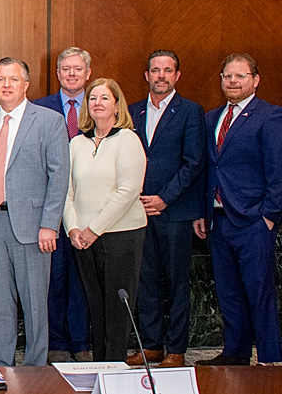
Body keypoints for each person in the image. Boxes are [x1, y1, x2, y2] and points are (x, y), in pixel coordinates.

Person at [0, 57, 69, 367]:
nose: (6, 85)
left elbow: (59, 176)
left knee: (35, 303)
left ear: (26, 85)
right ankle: (3, 363)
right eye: (1, 80)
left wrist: (50, 224)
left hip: (33, 226)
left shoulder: (49, 121)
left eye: (13, 79)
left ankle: (36, 367)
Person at [194, 53, 282, 366]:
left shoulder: (270, 116)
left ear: (255, 80)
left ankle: (267, 357)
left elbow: (281, 171)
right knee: (229, 292)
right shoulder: (212, 118)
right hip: (218, 219)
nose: (232, 82)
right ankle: (235, 352)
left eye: (239, 76)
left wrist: (268, 216)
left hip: (253, 220)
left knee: (259, 290)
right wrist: (202, 210)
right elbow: (207, 170)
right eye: (227, 76)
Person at [127, 50, 206, 368]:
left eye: (168, 70)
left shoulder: (190, 111)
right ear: (146, 75)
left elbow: (194, 162)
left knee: (175, 282)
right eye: (155, 70)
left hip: (174, 211)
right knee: (144, 282)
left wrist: (164, 198)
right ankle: (151, 346)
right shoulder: (133, 112)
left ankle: (176, 349)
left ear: (177, 76)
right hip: (138, 210)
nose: (161, 75)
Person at [62, 78, 147, 362]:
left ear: (116, 105)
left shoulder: (128, 140)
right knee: (95, 306)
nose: (97, 103)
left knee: (116, 308)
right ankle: (101, 367)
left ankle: (115, 369)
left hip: (120, 236)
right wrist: (73, 228)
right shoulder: (77, 142)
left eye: (104, 98)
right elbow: (67, 190)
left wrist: (94, 230)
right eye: (93, 98)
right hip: (82, 239)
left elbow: (128, 191)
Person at [32, 46, 93, 363]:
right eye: (65, 69)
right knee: (52, 280)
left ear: (87, 74)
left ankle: (81, 342)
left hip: (87, 212)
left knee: (82, 279)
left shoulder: (98, 109)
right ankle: (56, 342)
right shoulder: (39, 109)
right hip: (49, 211)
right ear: (57, 74)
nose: (71, 74)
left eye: (77, 69)